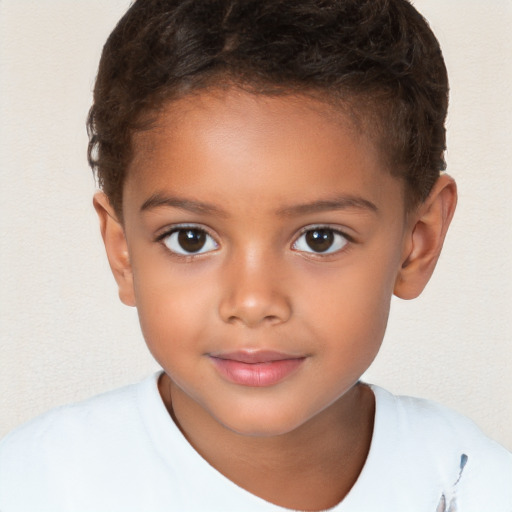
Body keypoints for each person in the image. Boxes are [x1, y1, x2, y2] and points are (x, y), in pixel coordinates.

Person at [0, 0, 510, 510]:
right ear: (123, 250)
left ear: (416, 243)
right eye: (190, 239)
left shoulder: (478, 488)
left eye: (319, 239)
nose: (252, 301)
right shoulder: (32, 485)